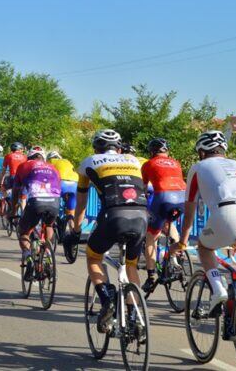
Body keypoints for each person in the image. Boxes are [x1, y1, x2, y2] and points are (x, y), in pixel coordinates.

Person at [171, 131, 236, 360]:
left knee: (205, 248)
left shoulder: (197, 167)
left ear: (202, 152)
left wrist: (183, 241)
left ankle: (217, 287)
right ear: (223, 151)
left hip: (227, 212)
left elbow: (190, 209)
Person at [68, 129, 148, 332]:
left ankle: (107, 300)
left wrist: (76, 229)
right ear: (119, 148)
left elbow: (81, 203)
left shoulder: (89, 161)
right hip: (141, 216)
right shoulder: (134, 160)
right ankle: (135, 318)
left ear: (96, 148)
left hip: (113, 216)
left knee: (93, 257)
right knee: (131, 265)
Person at [140, 138, 186, 293]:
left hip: (163, 197)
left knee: (151, 237)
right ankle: (176, 255)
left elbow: (144, 188)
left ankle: (151, 276)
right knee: (169, 223)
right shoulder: (176, 162)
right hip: (182, 198)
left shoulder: (148, 164)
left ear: (152, 152)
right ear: (167, 151)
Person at [11, 146, 61, 280]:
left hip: (36, 202)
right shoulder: (52, 167)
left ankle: (28, 258)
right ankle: (49, 253)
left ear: (29, 157)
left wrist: (12, 211)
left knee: (23, 231)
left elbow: (16, 190)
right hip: (55, 202)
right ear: (43, 158)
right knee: (49, 225)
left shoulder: (24, 166)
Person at [47, 150, 78, 233]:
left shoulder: (50, 162)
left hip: (61, 183)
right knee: (71, 213)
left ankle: (51, 229)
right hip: (75, 184)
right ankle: (73, 234)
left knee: (51, 208)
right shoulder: (67, 161)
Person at [0, 142, 28, 211]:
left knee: (3, 189)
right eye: (21, 149)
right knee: (22, 197)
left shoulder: (8, 156)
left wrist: (1, 183)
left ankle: (9, 201)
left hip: (13, 177)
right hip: (23, 178)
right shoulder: (25, 157)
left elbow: (3, 170)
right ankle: (23, 214)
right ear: (19, 149)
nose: (22, 151)